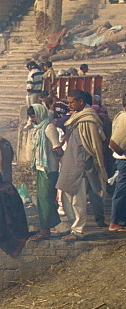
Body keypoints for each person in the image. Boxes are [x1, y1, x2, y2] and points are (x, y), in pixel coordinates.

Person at [57, 89, 107, 241]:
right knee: (66, 196)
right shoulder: (76, 118)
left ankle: (78, 231)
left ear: (81, 102)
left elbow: (95, 145)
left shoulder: (88, 120)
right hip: (70, 162)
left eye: (72, 102)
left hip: (81, 164)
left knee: (78, 200)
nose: (69, 104)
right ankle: (73, 227)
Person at [25, 104, 62, 240]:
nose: (32, 119)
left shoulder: (49, 128)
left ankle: (46, 230)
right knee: (41, 200)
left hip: (50, 169)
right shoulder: (37, 128)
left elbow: (57, 147)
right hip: (41, 168)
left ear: (40, 114)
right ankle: (45, 227)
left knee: (46, 200)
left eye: (33, 116)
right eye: (30, 116)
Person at [109, 103, 126, 232]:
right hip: (123, 159)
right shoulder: (123, 117)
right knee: (121, 190)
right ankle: (116, 221)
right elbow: (115, 142)